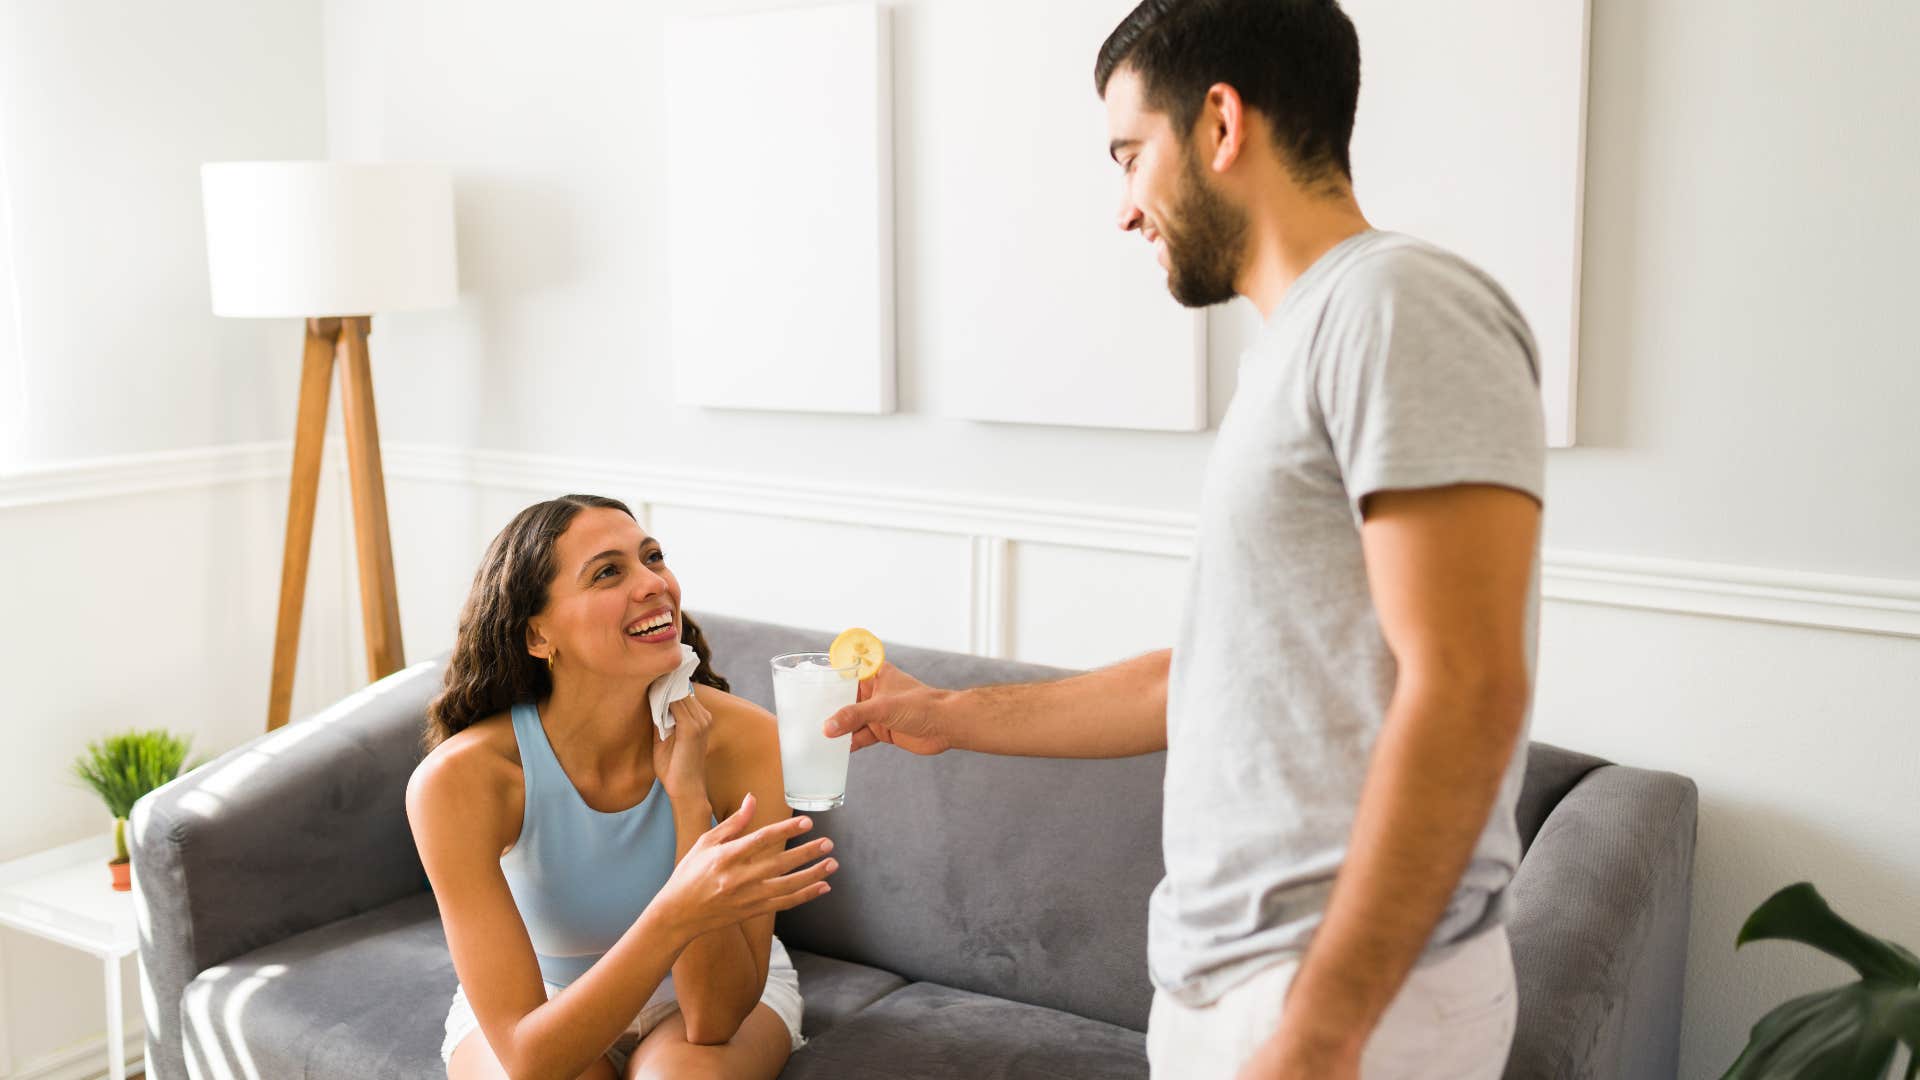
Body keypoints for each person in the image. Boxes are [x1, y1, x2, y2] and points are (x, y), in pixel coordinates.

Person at [825, 2, 1546, 1078]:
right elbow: (1209, 679)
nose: (1124, 210)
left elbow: (1469, 685)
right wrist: (948, 715)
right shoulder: (1291, 350)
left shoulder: (1397, 307)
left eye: (1130, 156)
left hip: (1347, 1007)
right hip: (1235, 993)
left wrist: (1320, 1034)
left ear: (1219, 123)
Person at [408, 494, 836, 1079]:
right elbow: (530, 1058)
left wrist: (689, 802)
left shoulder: (748, 741)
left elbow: (713, 1020)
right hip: (546, 1006)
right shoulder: (461, 780)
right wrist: (677, 910)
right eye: (608, 572)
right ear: (537, 635)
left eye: (653, 558)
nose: (653, 583)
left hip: (711, 1004)